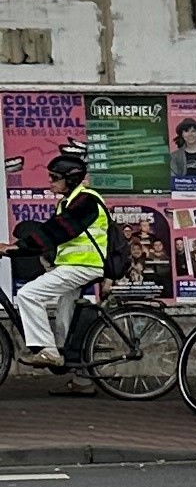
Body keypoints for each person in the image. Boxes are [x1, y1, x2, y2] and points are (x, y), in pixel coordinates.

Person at [10, 146, 106, 372]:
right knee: (66, 318)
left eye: (55, 178)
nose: (50, 183)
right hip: (74, 266)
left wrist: (16, 249)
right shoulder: (69, 202)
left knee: (28, 295)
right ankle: (81, 379)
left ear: (71, 180)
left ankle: (49, 352)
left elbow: (57, 232)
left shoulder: (85, 201)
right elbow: (53, 234)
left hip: (84, 266)